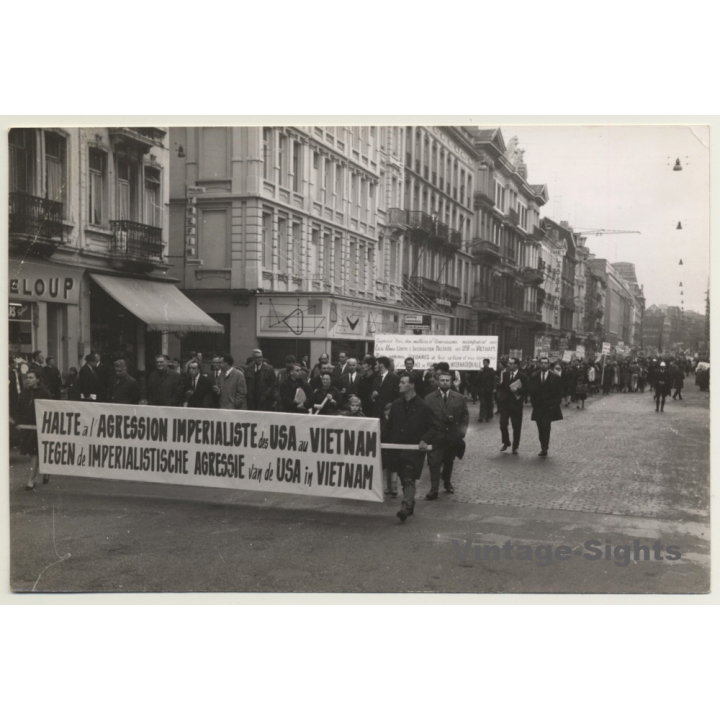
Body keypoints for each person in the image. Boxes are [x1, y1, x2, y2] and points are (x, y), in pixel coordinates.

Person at [384, 374, 440, 523]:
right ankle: (411, 503)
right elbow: (389, 427)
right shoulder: (396, 405)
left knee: (408, 477)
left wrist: (424, 440)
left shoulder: (423, 406)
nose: (399, 385)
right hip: (398, 448)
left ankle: (405, 507)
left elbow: (433, 427)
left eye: (403, 383)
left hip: (414, 449)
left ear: (412, 385)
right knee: (404, 476)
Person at [424, 370, 469, 498]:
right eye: (442, 380)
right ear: (438, 382)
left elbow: (465, 416)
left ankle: (447, 482)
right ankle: (434, 489)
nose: (445, 383)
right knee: (434, 463)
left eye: (447, 380)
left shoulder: (459, 398)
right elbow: (425, 417)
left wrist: (461, 433)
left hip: (452, 437)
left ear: (451, 382)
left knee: (449, 461)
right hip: (436, 436)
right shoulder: (429, 398)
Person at [12, 369, 51, 490]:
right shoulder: (24, 392)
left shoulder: (44, 393)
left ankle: (31, 480)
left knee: (35, 453)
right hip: (26, 427)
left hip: (38, 427)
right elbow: (18, 408)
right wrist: (17, 422)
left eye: (31, 377)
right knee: (31, 452)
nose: (28, 380)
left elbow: (49, 410)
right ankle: (46, 471)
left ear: (38, 379)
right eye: (27, 377)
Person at [528, 357, 563, 458]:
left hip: (550, 407)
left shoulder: (555, 377)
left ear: (548, 365)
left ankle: (544, 448)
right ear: (539, 364)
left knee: (546, 426)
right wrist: (534, 403)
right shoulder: (534, 376)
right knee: (540, 427)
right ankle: (543, 444)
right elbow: (531, 391)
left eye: (545, 363)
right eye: (542, 363)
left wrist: (554, 404)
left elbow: (559, 392)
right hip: (538, 407)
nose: (543, 365)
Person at [497, 356, 528, 454]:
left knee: (516, 426)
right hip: (505, 404)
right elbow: (503, 387)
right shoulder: (505, 374)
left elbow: (527, 390)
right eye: (508, 363)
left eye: (511, 363)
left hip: (516, 405)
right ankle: (506, 442)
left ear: (516, 365)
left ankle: (515, 447)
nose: (508, 365)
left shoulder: (522, 376)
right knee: (502, 424)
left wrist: (518, 390)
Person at [380, 403, 398, 498]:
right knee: (387, 467)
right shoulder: (383, 423)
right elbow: (382, 434)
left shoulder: (397, 424)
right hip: (386, 448)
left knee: (394, 467)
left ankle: (394, 487)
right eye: (386, 415)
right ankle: (388, 486)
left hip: (394, 448)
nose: (387, 417)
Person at [478, 358, 496, 422]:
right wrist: (480, 373)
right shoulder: (481, 371)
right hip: (483, 390)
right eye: (484, 362)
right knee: (482, 404)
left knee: (489, 404)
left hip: (489, 390)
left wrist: (494, 388)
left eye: (486, 362)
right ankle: (481, 417)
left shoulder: (491, 371)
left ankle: (487, 417)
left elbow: (494, 380)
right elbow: (478, 380)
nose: (485, 364)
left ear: (488, 363)